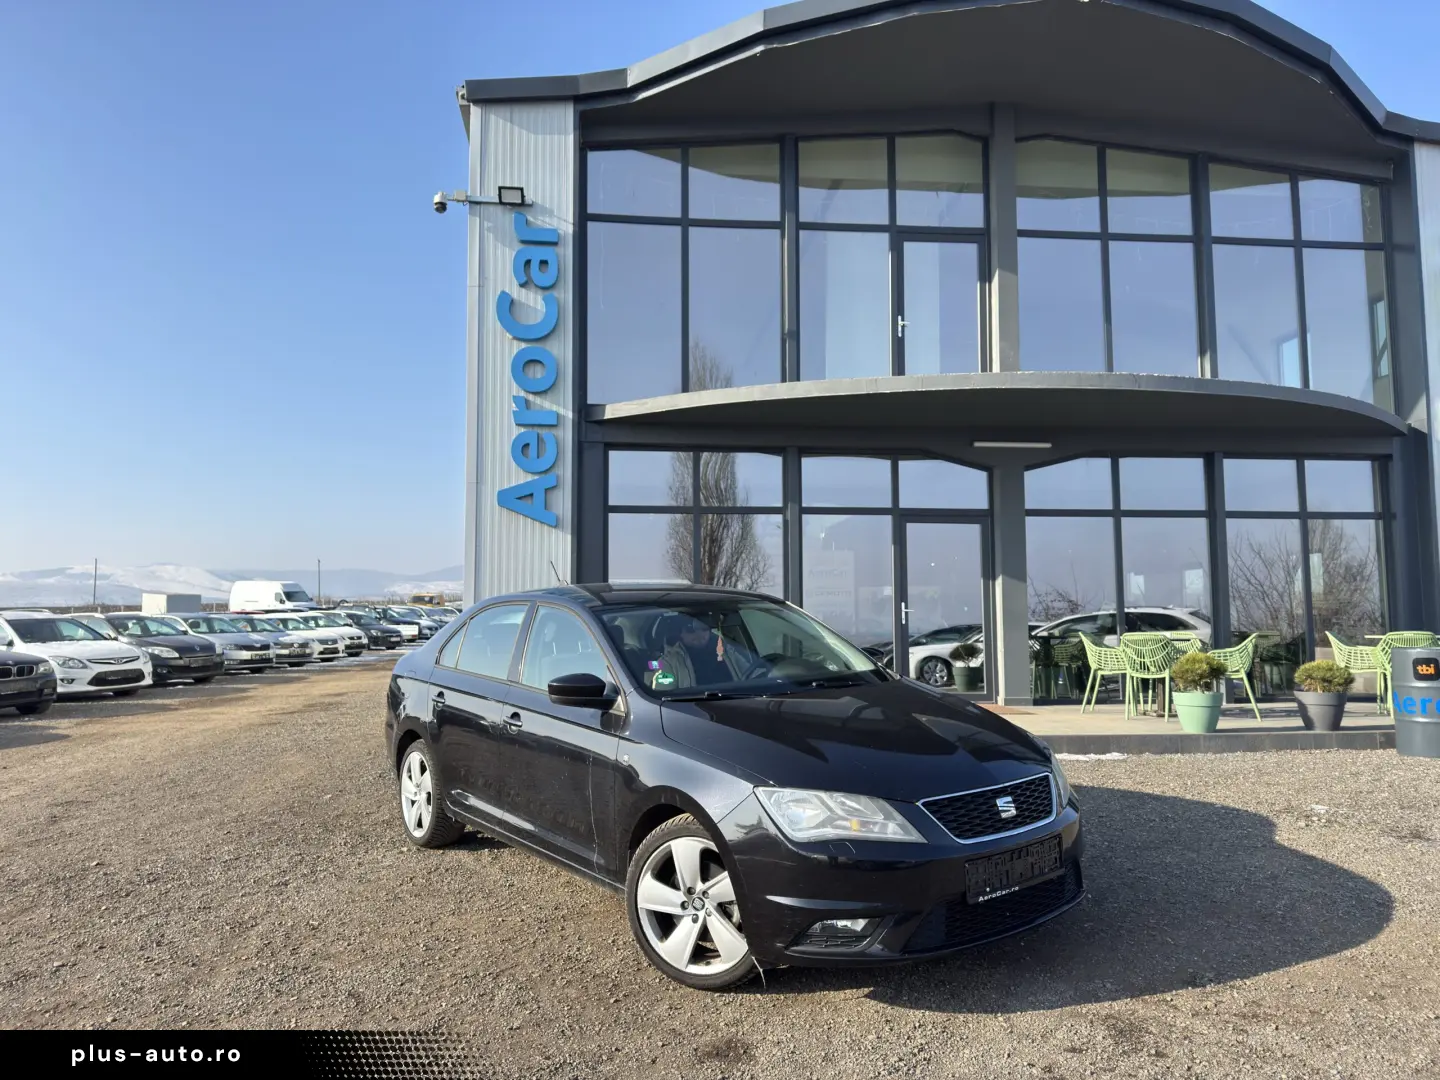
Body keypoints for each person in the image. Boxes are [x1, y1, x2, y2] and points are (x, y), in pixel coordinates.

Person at [655, 614, 748, 688]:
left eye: (703, 628)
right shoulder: (669, 662)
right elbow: (663, 697)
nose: (699, 634)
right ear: (680, 634)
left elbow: (752, 674)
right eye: (690, 630)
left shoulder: (728, 651)